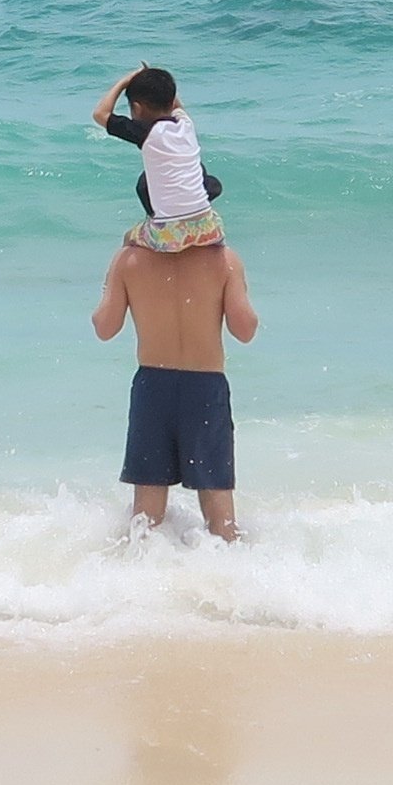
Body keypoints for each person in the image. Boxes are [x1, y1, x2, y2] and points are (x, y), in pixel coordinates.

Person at [94, 222, 258, 538]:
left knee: (147, 514)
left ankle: (139, 577)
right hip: (205, 388)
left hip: (153, 388)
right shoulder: (224, 260)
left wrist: (113, 278)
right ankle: (230, 577)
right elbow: (245, 330)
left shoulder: (128, 259)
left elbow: (105, 327)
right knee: (217, 502)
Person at [93, 65, 221, 251]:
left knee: (129, 237)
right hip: (207, 225)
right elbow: (175, 105)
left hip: (168, 232)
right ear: (171, 102)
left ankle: (112, 280)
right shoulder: (186, 124)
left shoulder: (148, 132)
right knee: (202, 174)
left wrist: (125, 82)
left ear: (136, 108)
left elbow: (100, 114)